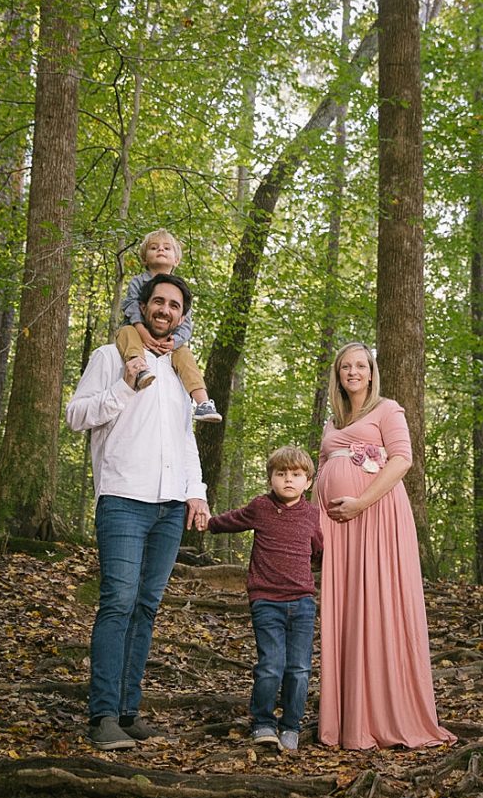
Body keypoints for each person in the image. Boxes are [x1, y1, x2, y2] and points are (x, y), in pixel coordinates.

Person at [66, 272, 211, 751]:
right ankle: (102, 716)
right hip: (124, 500)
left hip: (170, 507)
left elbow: (185, 440)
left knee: (146, 608)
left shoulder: (180, 373)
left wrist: (197, 492)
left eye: (174, 305)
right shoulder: (111, 356)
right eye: (159, 301)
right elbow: (76, 415)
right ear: (144, 305)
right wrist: (125, 387)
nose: (165, 310)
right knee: (118, 603)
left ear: (181, 317)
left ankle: (129, 712)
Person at [315, 342, 454, 750]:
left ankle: (383, 713)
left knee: (377, 605)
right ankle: (347, 718)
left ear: (372, 373)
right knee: (348, 612)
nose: (353, 372)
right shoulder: (332, 422)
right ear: (337, 374)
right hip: (340, 530)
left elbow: (402, 460)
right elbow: (321, 469)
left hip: (376, 518)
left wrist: (360, 501)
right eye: (346, 367)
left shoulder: (388, 409)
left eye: (361, 366)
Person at [206, 445, 324, 750]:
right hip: (266, 600)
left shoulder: (312, 514)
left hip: (302, 602)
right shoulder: (260, 507)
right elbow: (229, 521)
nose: (288, 479)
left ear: (308, 482)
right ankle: (263, 723)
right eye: (281, 473)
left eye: (296, 475)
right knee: (271, 664)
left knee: (298, 668)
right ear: (270, 477)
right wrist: (204, 520)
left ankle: (291, 726)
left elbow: (321, 551)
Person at [115, 226, 221, 420]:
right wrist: (140, 329)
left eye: (166, 248)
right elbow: (130, 305)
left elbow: (186, 322)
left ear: (176, 260)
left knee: (185, 355)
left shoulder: (180, 288)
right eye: (154, 247)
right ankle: (139, 370)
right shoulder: (139, 282)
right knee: (125, 332)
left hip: (168, 341)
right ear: (145, 258)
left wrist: (175, 342)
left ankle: (203, 402)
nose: (160, 250)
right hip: (137, 332)